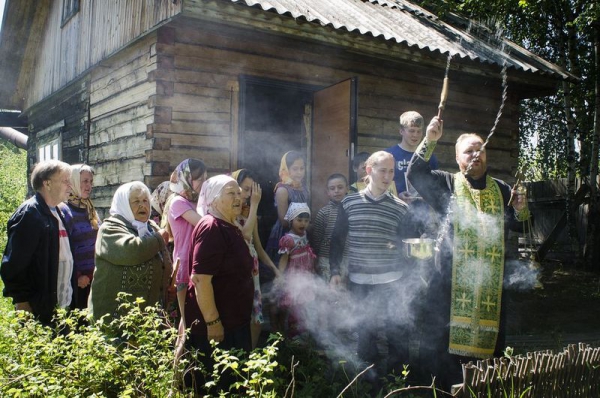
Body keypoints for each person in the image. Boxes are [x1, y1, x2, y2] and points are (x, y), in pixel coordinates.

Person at [406, 116, 531, 390]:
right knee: (444, 344)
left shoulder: (501, 189)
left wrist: (521, 208)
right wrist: (430, 140)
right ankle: (440, 392)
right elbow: (415, 175)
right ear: (457, 157)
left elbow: (518, 225)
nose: (477, 155)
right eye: (469, 151)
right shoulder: (445, 183)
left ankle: (482, 391)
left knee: (489, 346)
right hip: (449, 283)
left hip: (489, 285)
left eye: (481, 150)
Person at [329, 151, 411, 390]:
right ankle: (369, 387)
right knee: (365, 336)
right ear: (369, 171)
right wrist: (335, 271)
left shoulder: (400, 208)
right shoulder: (349, 202)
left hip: (392, 281)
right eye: (382, 170)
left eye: (391, 171)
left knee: (397, 336)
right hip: (359, 282)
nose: (387, 176)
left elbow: (407, 246)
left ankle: (399, 387)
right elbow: (337, 239)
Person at [184, 175, 254, 394]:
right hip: (217, 330)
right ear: (213, 199)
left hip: (233, 324)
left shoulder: (228, 225)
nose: (239, 198)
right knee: (216, 387)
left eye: (239, 193)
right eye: (231, 193)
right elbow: (201, 280)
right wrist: (213, 322)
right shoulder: (212, 227)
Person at [1, 160, 76, 325]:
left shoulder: (59, 212)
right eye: (65, 181)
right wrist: (22, 302)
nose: (70, 186)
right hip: (37, 309)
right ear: (47, 183)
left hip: (61, 306)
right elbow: (14, 265)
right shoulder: (30, 214)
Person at [88, 181, 172, 320]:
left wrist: (163, 288)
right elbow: (132, 252)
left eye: (145, 200)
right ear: (124, 204)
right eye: (136, 201)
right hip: (114, 319)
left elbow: (162, 264)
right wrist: (158, 239)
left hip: (147, 319)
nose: (142, 205)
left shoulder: (151, 227)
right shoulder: (110, 229)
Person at [232, 168, 281, 348]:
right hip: (235, 272)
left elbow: (257, 247)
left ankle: (250, 361)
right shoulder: (227, 215)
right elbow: (244, 235)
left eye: (251, 190)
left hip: (252, 272)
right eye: (245, 189)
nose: (248, 195)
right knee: (237, 317)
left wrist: (275, 270)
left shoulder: (250, 215)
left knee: (257, 320)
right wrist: (254, 206)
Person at [60, 164, 100, 310]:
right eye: (84, 181)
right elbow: (64, 248)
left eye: (90, 181)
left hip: (94, 277)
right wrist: (76, 276)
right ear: (74, 182)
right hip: (78, 281)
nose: (89, 186)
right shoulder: (66, 211)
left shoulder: (89, 208)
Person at [277, 202, 316, 338]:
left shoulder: (304, 234)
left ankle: (303, 330)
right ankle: (292, 334)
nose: (303, 224)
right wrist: (280, 276)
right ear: (291, 220)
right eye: (299, 220)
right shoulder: (288, 240)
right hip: (294, 278)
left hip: (305, 276)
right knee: (293, 305)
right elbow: (283, 259)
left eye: (306, 221)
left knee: (303, 303)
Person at [265, 151, 310, 263]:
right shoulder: (283, 190)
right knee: (285, 266)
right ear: (287, 169)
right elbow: (284, 221)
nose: (299, 172)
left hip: (301, 230)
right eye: (295, 169)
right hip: (285, 234)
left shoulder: (305, 189)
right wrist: (304, 226)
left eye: (302, 168)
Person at [385, 111, 438, 203]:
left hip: (422, 213)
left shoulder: (429, 156)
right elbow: (379, 184)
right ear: (401, 130)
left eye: (419, 131)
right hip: (395, 209)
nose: (415, 135)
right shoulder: (388, 155)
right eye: (411, 130)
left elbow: (436, 186)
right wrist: (397, 195)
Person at [311, 173, 349, 283]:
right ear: (327, 192)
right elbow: (317, 239)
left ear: (347, 188)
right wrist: (316, 259)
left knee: (343, 289)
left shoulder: (352, 210)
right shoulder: (323, 212)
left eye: (340, 187)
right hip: (325, 259)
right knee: (327, 289)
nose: (336, 191)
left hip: (346, 257)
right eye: (332, 188)